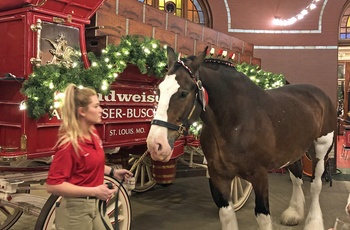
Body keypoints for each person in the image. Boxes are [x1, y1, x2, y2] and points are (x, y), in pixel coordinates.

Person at [46, 83, 133, 230]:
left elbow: (90, 164)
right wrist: (94, 191)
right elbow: (53, 185)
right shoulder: (69, 145)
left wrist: (112, 172)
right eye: (96, 106)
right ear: (82, 111)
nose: (101, 110)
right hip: (75, 211)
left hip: (96, 206)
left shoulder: (92, 133)